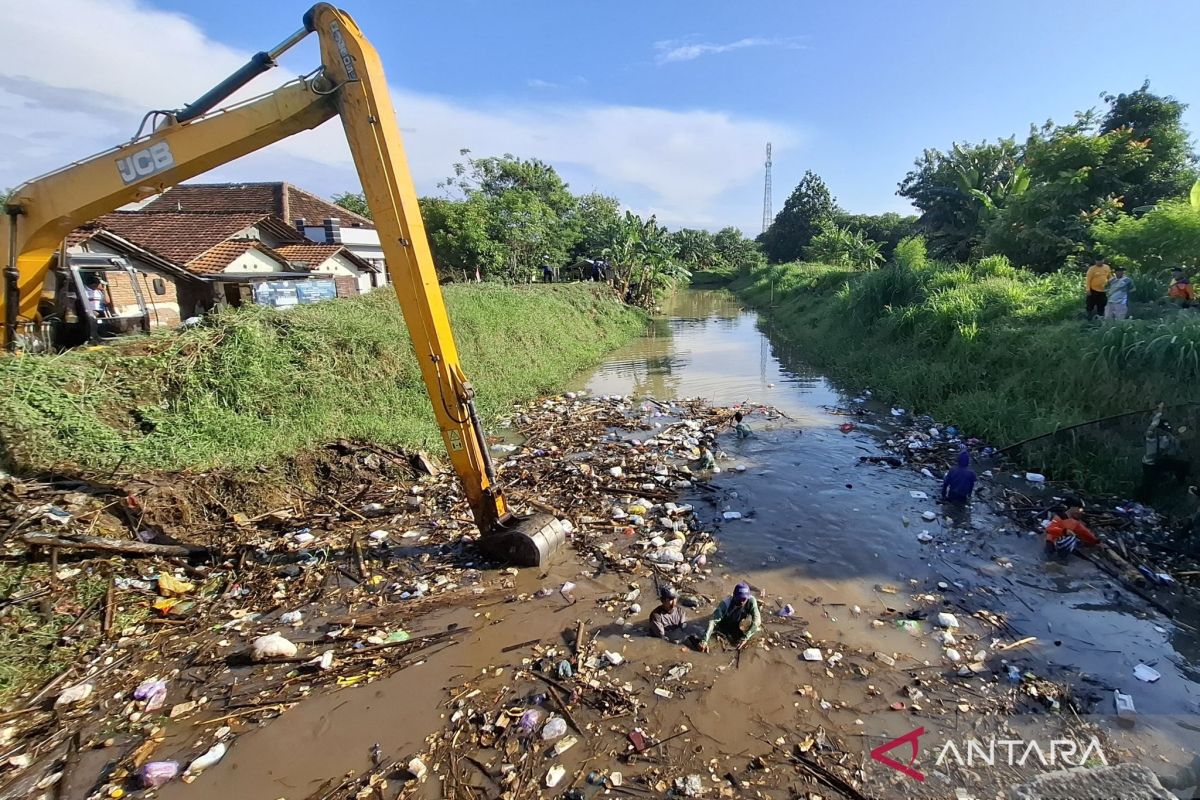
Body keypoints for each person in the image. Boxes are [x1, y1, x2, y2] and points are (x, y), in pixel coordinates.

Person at [1140, 403, 1191, 500]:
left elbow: (1174, 451)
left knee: (1183, 465)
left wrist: (1177, 439)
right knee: (1148, 486)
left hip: (1161, 461)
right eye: (1163, 430)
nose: (1165, 433)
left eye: (1167, 431)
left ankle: (1182, 485)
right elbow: (1152, 427)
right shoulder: (1151, 438)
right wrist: (1159, 413)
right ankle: (1144, 500)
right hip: (1149, 465)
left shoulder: (1168, 438)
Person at [699, 582, 761, 652]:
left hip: (740, 620)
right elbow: (712, 621)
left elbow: (757, 620)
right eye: (739, 598)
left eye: (744, 599)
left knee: (755, 627)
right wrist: (704, 640)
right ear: (734, 595)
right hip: (726, 622)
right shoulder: (726, 603)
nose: (741, 602)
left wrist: (745, 638)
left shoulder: (751, 601)